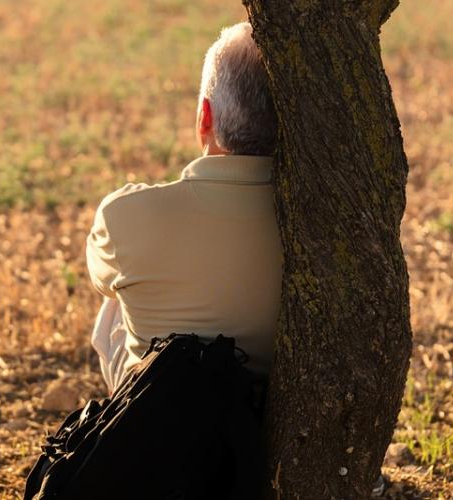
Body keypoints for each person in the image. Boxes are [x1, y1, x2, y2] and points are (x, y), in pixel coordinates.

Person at [87, 22, 282, 394]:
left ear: (204, 117)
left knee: (116, 299)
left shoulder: (124, 215)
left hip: (158, 422)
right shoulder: (316, 224)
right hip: (261, 420)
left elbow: (99, 278)